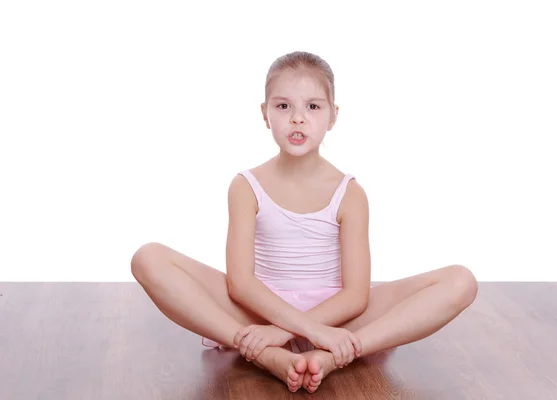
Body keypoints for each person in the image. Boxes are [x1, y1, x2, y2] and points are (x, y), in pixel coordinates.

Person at [130, 50, 479, 394]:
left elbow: (356, 295)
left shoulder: (350, 193)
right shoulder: (245, 186)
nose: (298, 118)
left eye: (313, 106)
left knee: (461, 281)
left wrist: (295, 331)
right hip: (258, 311)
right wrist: (284, 328)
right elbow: (240, 284)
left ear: (333, 115)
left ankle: (334, 355)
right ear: (265, 114)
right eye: (284, 106)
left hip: (336, 318)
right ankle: (267, 356)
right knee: (148, 258)